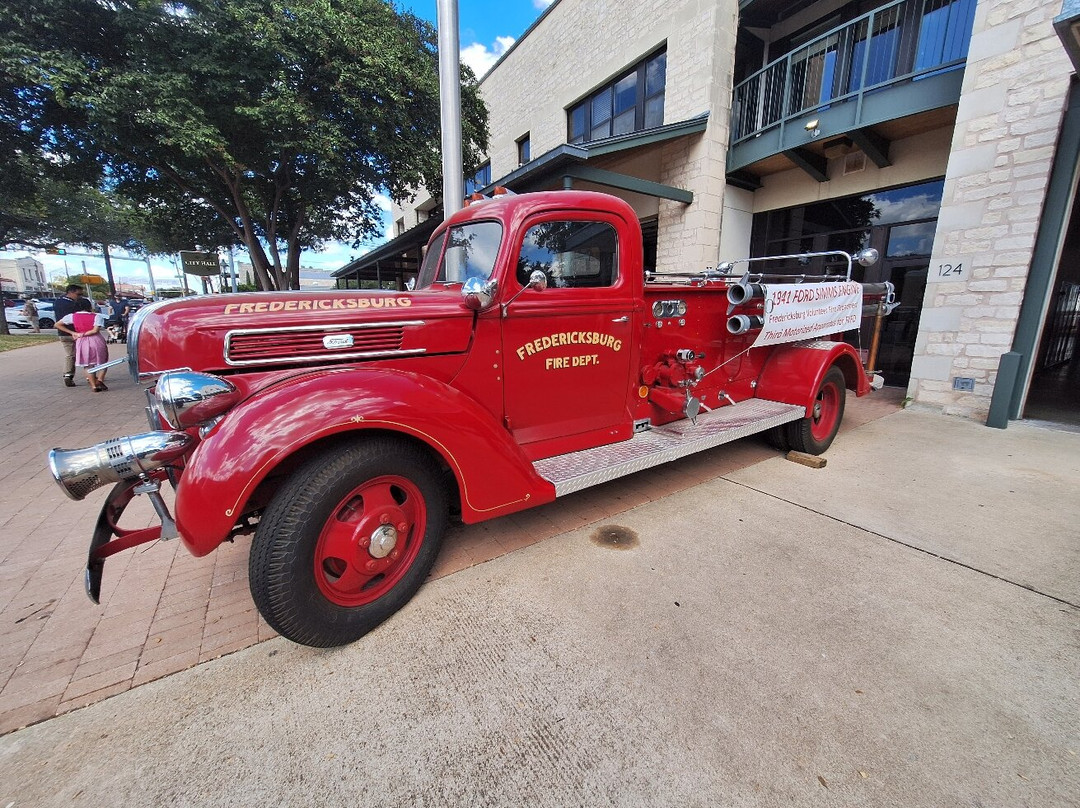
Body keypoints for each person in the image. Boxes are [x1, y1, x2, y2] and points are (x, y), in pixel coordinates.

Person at [55, 306, 111, 391]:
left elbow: (57, 324)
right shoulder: (96, 316)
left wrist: (73, 333)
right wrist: (84, 334)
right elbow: (95, 330)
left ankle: (93, 386)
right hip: (96, 339)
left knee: (87, 364)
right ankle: (100, 380)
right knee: (103, 362)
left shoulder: (72, 316)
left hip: (81, 341)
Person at [52, 284, 93, 387]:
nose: (80, 296)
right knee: (86, 354)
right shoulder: (77, 304)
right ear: (70, 292)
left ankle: (68, 375)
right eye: (78, 294)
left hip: (63, 332)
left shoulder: (57, 302)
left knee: (70, 354)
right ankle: (90, 376)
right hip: (80, 332)